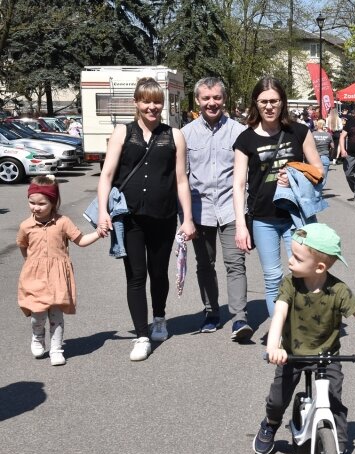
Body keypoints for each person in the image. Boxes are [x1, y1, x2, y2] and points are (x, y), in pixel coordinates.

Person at [252, 223, 355, 454]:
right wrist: (273, 346)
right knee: (278, 398)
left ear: (320, 267)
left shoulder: (338, 290)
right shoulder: (290, 285)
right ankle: (271, 425)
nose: (290, 261)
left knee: (335, 404)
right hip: (293, 354)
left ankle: (341, 452)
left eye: (297, 257)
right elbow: (280, 314)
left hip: (326, 356)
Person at [96, 77, 196, 362]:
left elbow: (180, 180)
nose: (152, 107)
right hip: (130, 217)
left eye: (157, 102)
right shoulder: (122, 132)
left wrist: (187, 218)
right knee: (136, 275)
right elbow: (106, 175)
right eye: (146, 101)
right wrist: (103, 211)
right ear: (136, 103)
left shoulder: (174, 135)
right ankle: (142, 335)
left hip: (163, 216)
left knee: (159, 272)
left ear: (162, 104)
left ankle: (160, 317)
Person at [232, 77, 323, 319]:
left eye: (274, 101)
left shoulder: (299, 132)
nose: (269, 106)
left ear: (282, 102)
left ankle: (305, 333)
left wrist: (295, 175)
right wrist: (241, 225)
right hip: (263, 219)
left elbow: (318, 170)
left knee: (305, 273)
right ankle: (280, 336)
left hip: (296, 217)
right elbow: (239, 184)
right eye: (264, 102)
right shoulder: (245, 139)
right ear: (256, 103)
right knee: (272, 278)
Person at [182, 77, 252, 340]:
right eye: (206, 98)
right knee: (205, 264)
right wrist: (185, 217)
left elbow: (248, 176)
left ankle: (239, 318)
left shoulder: (239, 132)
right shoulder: (186, 134)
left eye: (217, 98)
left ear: (224, 99)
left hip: (231, 209)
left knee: (236, 263)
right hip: (200, 212)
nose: (212, 103)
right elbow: (181, 178)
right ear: (198, 101)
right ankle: (211, 312)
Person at [17, 176, 104, 366]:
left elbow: (80, 241)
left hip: (57, 277)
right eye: (32, 202)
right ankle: (37, 337)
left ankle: (56, 349)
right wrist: (30, 262)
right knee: (37, 314)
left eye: (41, 203)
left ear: (53, 202)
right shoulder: (26, 226)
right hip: (34, 276)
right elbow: (23, 246)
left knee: (56, 316)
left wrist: (98, 233)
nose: (35, 207)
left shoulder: (63, 222)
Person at [312, 118, 333, 186]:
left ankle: (316, 194)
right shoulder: (328, 135)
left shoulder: (313, 134)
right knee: (323, 179)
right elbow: (333, 146)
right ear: (324, 125)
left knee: (314, 177)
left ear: (317, 125)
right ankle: (319, 193)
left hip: (315, 157)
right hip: (325, 157)